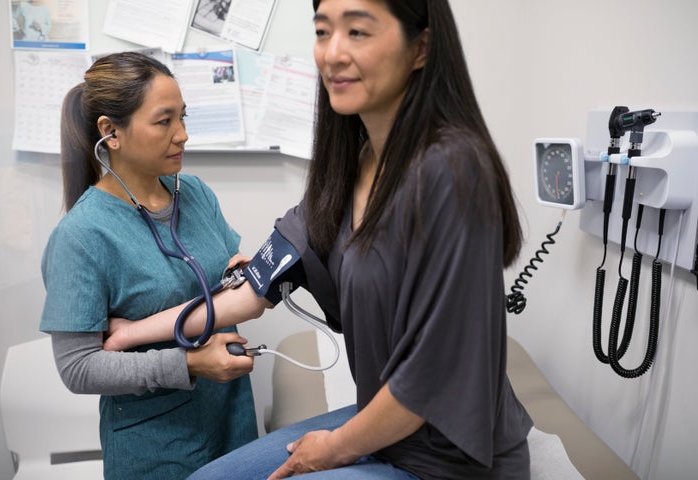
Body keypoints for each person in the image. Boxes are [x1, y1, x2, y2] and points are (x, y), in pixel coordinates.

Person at [106, 0, 534, 478]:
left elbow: (426, 379)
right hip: (389, 429)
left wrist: (333, 449)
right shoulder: (352, 165)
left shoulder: (453, 171)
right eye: (323, 31)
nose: (332, 53)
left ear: (422, 47)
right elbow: (252, 290)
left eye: (357, 32)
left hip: (450, 458)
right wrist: (131, 333)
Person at [39, 51, 259, 480]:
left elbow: (223, 275)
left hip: (230, 419)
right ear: (111, 132)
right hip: (155, 445)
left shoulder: (193, 193)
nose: (183, 136)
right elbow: (78, 368)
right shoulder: (81, 236)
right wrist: (189, 364)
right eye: (164, 121)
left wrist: (240, 270)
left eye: (184, 117)